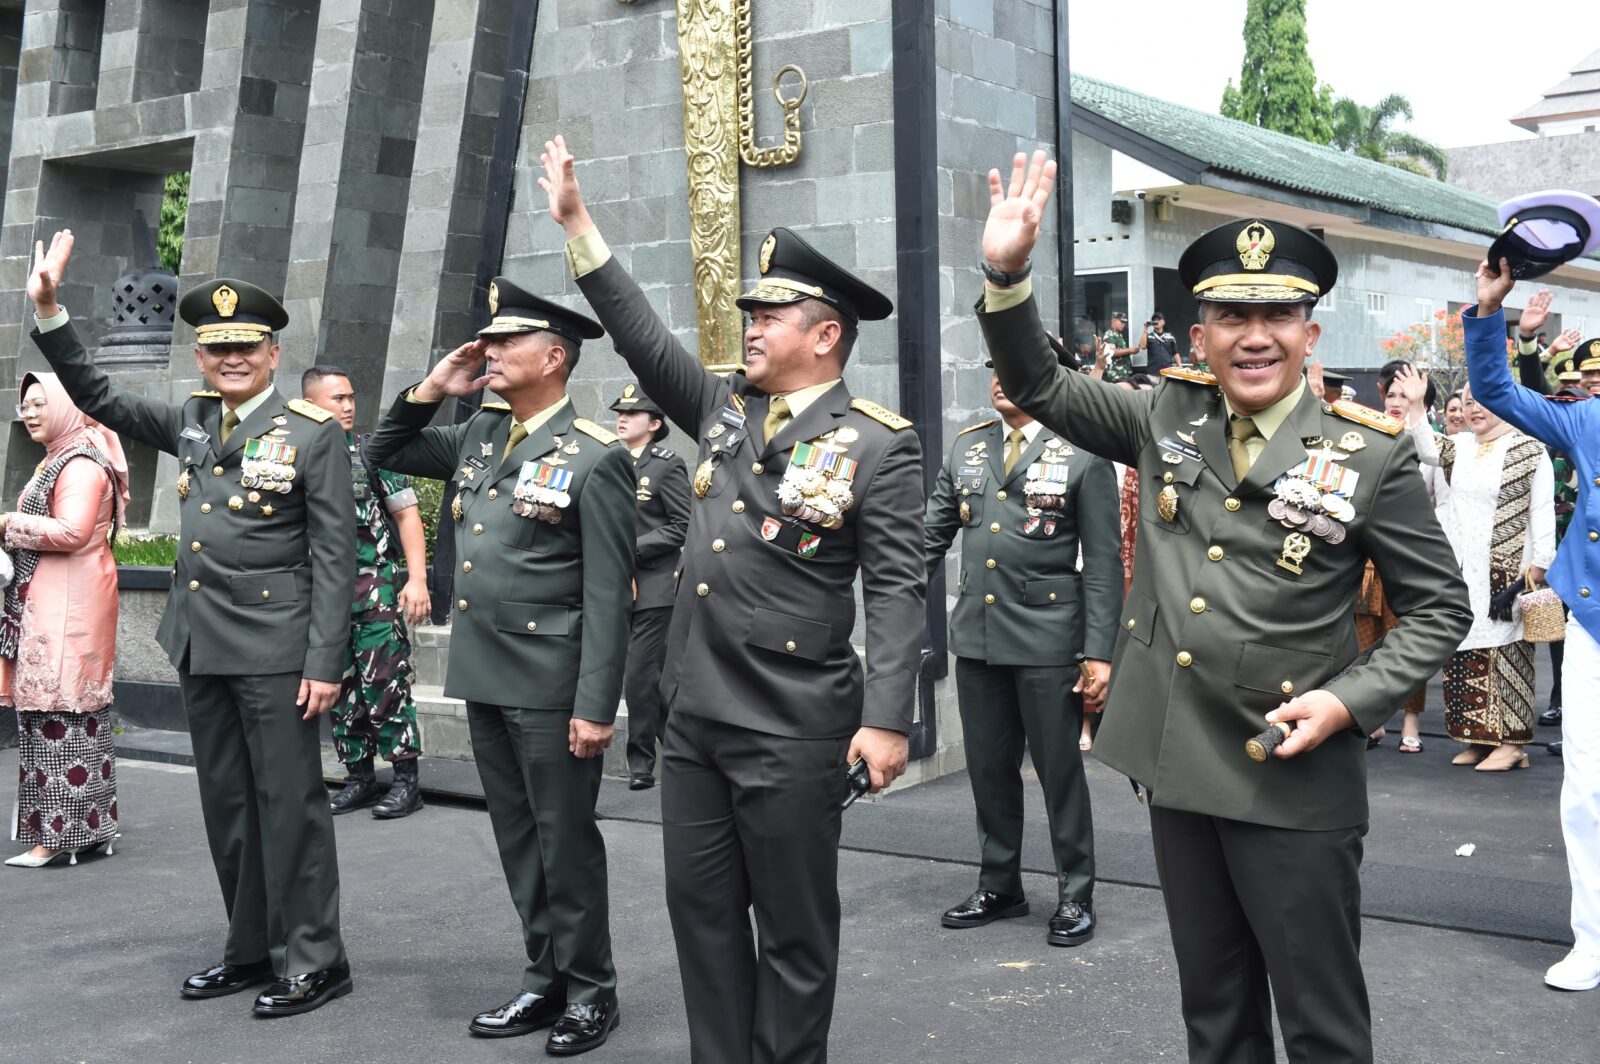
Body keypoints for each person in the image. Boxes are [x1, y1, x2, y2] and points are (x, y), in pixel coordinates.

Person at [976, 152, 1470, 1063]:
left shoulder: (1374, 455)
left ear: (1310, 334)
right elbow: (1041, 388)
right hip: (1178, 763)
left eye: (1276, 314)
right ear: (1197, 334)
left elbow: (1440, 609)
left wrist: (1350, 701)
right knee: (1214, 1016)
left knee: (1320, 1025)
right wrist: (1007, 277)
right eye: (1231, 315)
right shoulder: (1167, 415)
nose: (1254, 335)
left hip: (1293, 770)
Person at [540, 134, 924, 1064]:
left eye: (771, 313)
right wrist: (579, 228)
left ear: (825, 334)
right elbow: (640, 335)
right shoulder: (721, 412)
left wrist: (888, 719)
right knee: (702, 921)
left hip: (793, 725)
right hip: (697, 718)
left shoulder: (879, 443)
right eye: (748, 311)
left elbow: (902, 584)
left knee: (793, 934)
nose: (749, 325)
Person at [27, 231, 356, 1016]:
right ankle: (249, 949)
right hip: (202, 643)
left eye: (245, 347)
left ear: (273, 354)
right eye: (217, 349)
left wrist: (325, 661)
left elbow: (336, 557)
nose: (231, 359)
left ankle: (317, 956)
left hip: (278, 652)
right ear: (202, 357)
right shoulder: (195, 417)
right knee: (229, 806)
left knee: (291, 806)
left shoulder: (313, 434)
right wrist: (50, 311)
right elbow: (100, 396)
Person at [365, 276, 634, 1054]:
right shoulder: (480, 434)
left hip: (553, 685)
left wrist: (596, 704)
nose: (489, 351)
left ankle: (591, 991)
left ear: (554, 356)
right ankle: (544, 979)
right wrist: (432, 387)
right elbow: (381, 453)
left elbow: (608, 595)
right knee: (519, 839)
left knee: (565, 840)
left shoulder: (595, 456)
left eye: (506, 341)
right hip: (486, 674)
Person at [923, 357, 1121, 947]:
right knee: (988, 769)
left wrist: (1099, 652)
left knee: (1059, 771)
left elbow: (1105, 565)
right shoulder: (968, 448)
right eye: (995, 367)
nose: (1001, 376)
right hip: (979, 636)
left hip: (1049, 640)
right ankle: (1000, 884)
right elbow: (928, 538)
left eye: (1015, 364)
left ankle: (1076, 891)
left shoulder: (1082, 452)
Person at [1464, 256, 1600, 991]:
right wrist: (1489, 310)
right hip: (1594, 625)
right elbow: (1495, 391)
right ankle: (1592, 938)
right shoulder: (1589, 417)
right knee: (1585, 789)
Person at [1393, 369, 1554, 771]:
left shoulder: (1529, 450)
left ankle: (1513, 745)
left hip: (1508, 576)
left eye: (1482, 399)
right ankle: (1478, 739)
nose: (1473, 407)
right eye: (1467, 401)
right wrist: (1415, 404)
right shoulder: (1461, 446)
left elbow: (1543, 513)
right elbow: (1426, 449)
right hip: (1462, 569)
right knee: (1464, 652)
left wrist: (1536, 571)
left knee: (1508, 654)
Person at [3, 373, 128, 868]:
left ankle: (57, 836)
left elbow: (74, 531)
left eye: (39, 403)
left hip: (67, 602)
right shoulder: (64, 454)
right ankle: (90, 829)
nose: (30, 413)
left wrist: (7, 524)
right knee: (67, 714)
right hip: (62, 596)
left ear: (64, 406)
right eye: (25, 406)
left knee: (60, 713)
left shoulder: (78, 460)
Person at [302, 366, 430, 820]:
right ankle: (359, 777)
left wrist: (416, 579)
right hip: (321, 598)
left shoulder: (371, 452)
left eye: (351, 396)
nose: (349, 405)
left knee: (385, 683)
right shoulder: (296, 455)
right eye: (337, 398)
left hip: (372, 588)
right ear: (309, 404)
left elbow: (407, 516)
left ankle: (405, 780)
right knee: (337, 688)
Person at [610, 384, 691, 790]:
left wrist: (629, 551)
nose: (622, 418)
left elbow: (682, 525)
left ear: (655, 424)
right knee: (646, 682)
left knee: (641, 677)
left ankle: (641, 764)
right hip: (611, 586)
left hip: (655, 586)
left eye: (633, 413)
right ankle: (683, 752)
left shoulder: (666, 465)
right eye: (619, 412)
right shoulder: (608, 462)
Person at [1101, 311, 1139, 384]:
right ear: (1113, 321)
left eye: (1124, 323)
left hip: (1124, 373)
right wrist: (1130, 350)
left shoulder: (1118, 335)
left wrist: (1132, 351)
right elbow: (1113, 352)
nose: (1123, 325)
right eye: (1121, 322)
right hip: (1117, 374)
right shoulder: (1109, 335)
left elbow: (1121, 352)